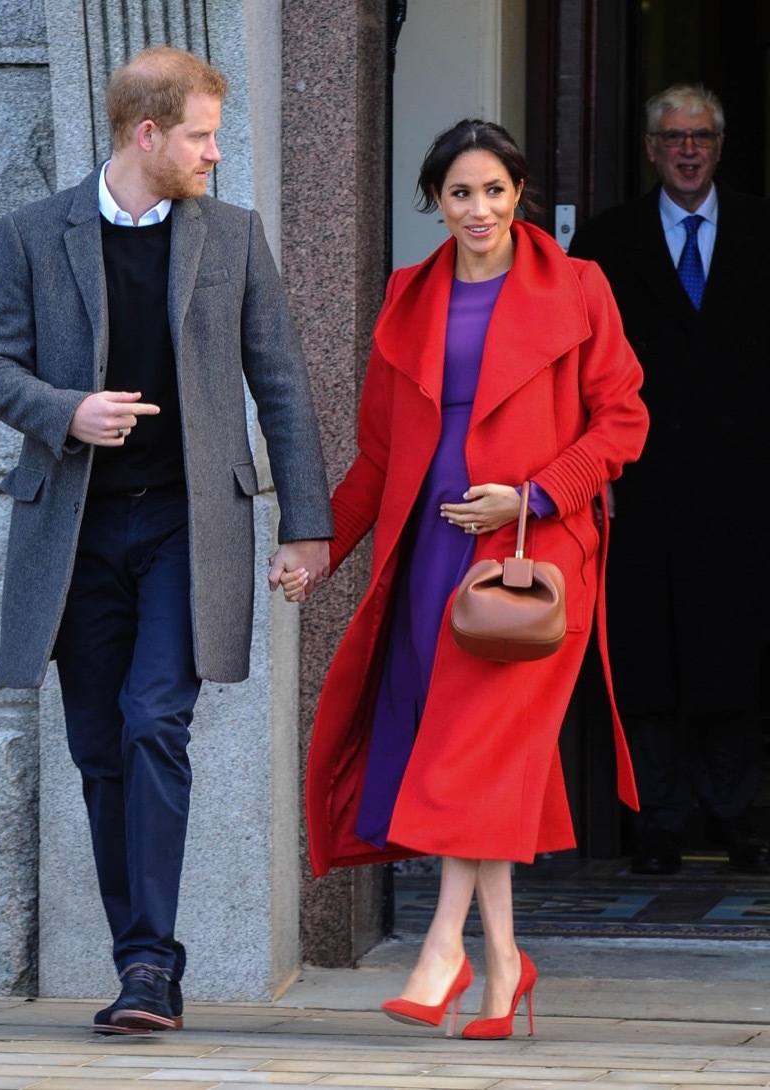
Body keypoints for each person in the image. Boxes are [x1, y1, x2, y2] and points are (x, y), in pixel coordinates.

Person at [0, 46, 333, 1034]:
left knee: (152, 718)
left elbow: (283, 386)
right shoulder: (35, 235)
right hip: (78, 532)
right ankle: (140, 959)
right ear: (148, 134)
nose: (215, 153)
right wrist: (65, 409)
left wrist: (306, 525)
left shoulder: (235, 238)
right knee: (98, 749)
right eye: (203, 136)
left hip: (186, 524)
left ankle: (149, 964)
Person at [291, 120, 648, 1040]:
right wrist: (319, 547)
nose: (479, 209)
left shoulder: (578, 286)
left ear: (520, 192)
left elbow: (623, 423)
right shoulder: (408, 297)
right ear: (436, 202)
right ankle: (505, 965)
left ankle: (442, 947)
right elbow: (377, 457)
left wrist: (532, 496)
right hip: (433, 563)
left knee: (472, 747)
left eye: (495, 190)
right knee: (479, 756)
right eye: (460, 193)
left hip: (536, 566)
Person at [569, 84, 770, 876]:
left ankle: (731, 817)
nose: (688, 149)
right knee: (644, 650)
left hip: (742, 480)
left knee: (733, 648)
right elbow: (577, 364)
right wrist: (588, 465)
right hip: (636, 480)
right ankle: (654, 822)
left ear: (721, 147)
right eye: (673, 137)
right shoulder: (605, 241)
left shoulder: (762, 229)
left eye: (702, 137)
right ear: (650, 149)